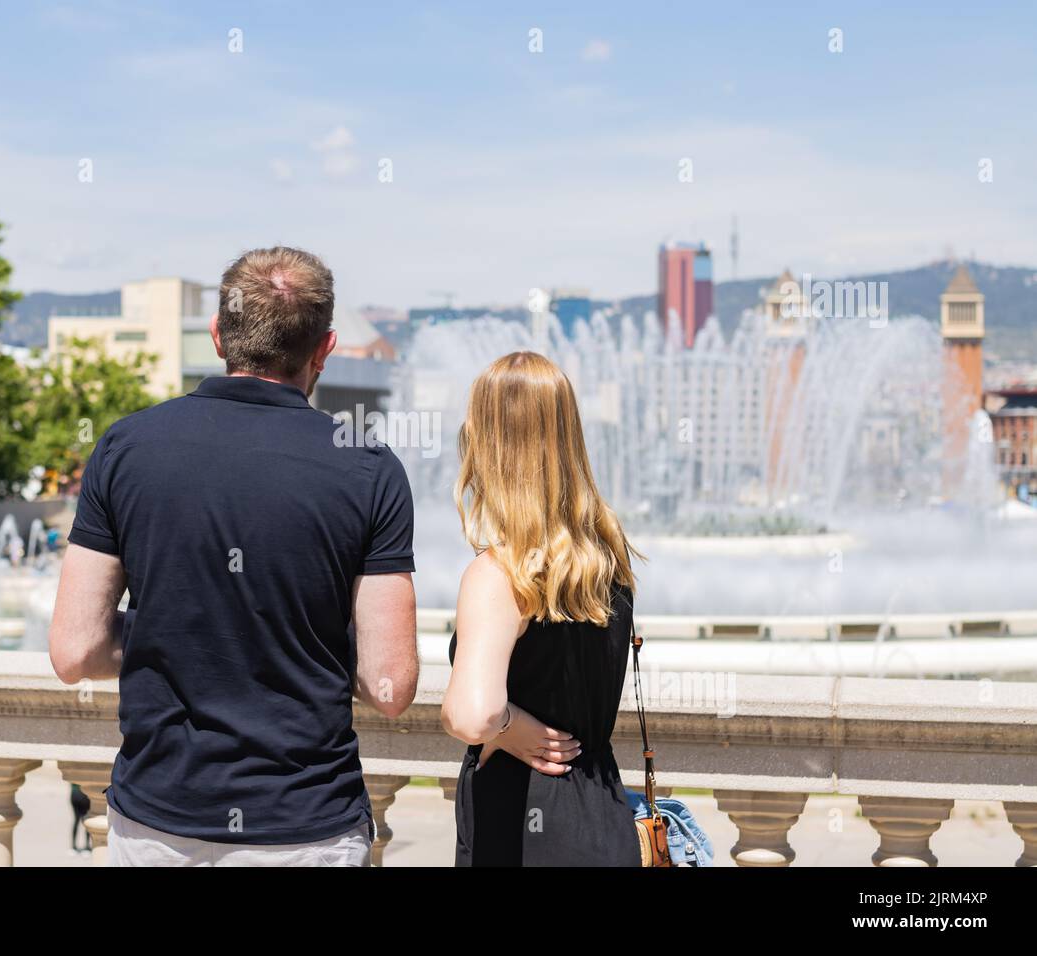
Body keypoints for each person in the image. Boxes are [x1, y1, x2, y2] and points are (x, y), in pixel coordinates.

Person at [49, 246, 418, 867]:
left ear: (219, 336)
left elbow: (74, 652)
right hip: (307, 827)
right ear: (324, 349)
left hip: (158, 823)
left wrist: (171, 631)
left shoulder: (126, 446)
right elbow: (390, 687)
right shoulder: (369, 469)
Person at [441, 351, 643, 866]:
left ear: (487, 442)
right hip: (601, 812)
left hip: (523, 825)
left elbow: (472, 714)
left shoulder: (500, 574)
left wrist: (508, 726)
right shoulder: (606, 562)